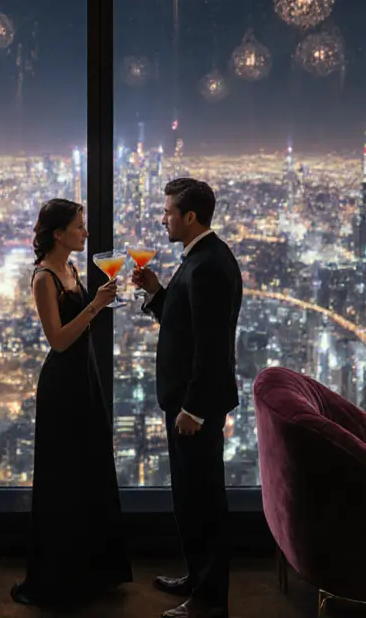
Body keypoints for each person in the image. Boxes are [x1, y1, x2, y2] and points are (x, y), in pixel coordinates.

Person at [11, 198, 133, 606]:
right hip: (62, 383)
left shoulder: (72, 269)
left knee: (89, 469)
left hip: (86, 376)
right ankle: (61, 576)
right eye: (79, 227)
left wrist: (100, 302)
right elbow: (58, 339)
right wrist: (97, 304)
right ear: (58, 234)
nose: (85, 233)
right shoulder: (44, 278)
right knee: (65, 477)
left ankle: (93, 570)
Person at [132, 178, 242, 618]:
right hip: (184, 404)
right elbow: (184, 325)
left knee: (205, 502)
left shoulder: (210, 264)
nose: (162, 218)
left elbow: (212, 347)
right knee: (189, 498)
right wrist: (157, 292)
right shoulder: (200, 258)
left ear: (189, 216)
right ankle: (197, 578)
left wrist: (193, 408)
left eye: (167, 212)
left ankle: (209, 601)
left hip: (194, 408)